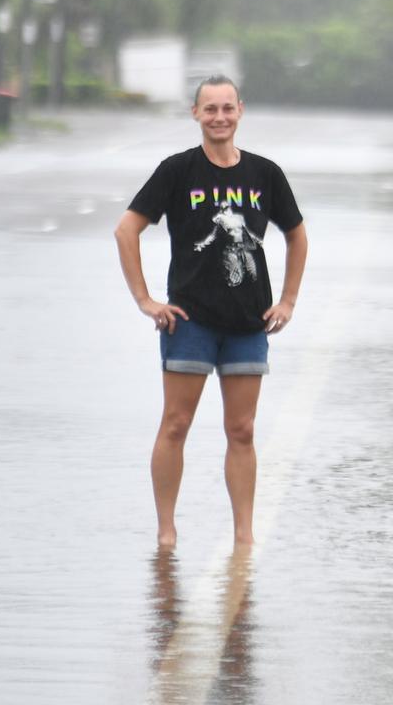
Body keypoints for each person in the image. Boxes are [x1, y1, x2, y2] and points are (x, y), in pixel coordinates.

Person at [115, 75, 308, 549]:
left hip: (248, 323)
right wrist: (145, 300)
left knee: (241, 430)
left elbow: (296, 235)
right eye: (210, 109)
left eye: (227, 108)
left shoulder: (265, 174)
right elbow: (126, 230)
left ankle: (244, 534)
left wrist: (287, 300)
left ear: (240, 111)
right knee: (176, 425)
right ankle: (166, 530)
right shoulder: (178, 171)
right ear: (195, 114)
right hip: (189, 322)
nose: (219, 117)